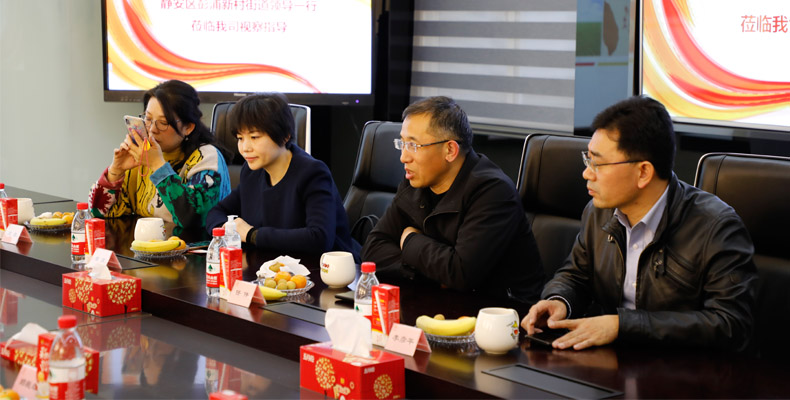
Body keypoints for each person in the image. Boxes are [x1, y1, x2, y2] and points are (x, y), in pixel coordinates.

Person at [521, 96, 757, 351]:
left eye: (598, 163)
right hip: (612, 362)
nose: (587, 173)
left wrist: (622, 325)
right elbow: (576, 275)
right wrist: (560, 300)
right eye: (587, 160)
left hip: (684, 368)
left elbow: (732, 324)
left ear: (643, 172)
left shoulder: (715, 227)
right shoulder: (598, 213)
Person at [361, 96, 544, 303]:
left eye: (413, 145)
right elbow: (373, 249)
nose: (404, 157)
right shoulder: (415, 182)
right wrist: (428, 274)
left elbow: (460, 273)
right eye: (402, 144)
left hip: (502, 312)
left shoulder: (493, 191)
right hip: (439, 301)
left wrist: (410, 240)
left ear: (450, 150)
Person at [205, 93, 359, 258]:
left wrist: (252, 235)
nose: (245, 148)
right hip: (271, 266)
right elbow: (216, 212)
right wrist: (230, 230)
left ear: (285, 136)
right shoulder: (251, 172)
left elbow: (319, 238)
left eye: (254, 137)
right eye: (240, 138)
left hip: (322, 268)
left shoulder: (312, 173)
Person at [89, 80, 231, 228]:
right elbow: (99, 213)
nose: (152, 129)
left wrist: (157, 165)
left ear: (188, 127)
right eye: (148, 119)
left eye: (163, 123)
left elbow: (193, 218)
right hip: (147, 242)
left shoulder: (207, 157)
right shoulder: (142, 156)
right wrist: (115, 172)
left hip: (193, 242)